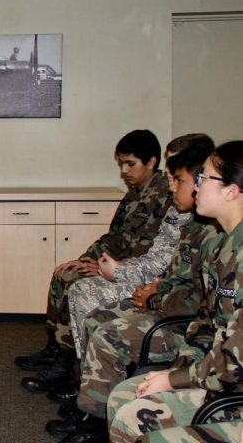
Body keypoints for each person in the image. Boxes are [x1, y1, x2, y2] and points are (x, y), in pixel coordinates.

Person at [36, 140, 215, 443]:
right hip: (156, 293)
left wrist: (145, 289)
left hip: (182, 321)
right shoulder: (183, 215)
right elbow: (139, 250)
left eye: (178, 177)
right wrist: (97, 261)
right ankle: (84, 397)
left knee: (100, 322)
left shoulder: (211, 231)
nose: (169, 182)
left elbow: (198, 296)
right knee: (87, 304)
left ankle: (93, 423)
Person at [106, 141, 243, 443]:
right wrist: (178, 369)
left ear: (232, 191)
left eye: (205, 178)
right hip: (217, 376)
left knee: (143, 431)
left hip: (229, 389)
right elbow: (207, 324)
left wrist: (175, 379)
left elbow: (235, 361)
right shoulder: (224, 248)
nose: (196, 185)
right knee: (125, 399)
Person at [18, 130, 171, 391]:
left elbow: (147, 250)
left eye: (130, 164)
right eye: (121, 163)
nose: (124, 170)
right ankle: (55, 348)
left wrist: (101, 267)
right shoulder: (135, 192)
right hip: (114, 263)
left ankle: (65, 364)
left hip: (131, 272)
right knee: (64, 274)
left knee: (76, 282)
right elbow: (115, 236)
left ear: (152, 162)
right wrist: (87, 258)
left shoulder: (164, 196)